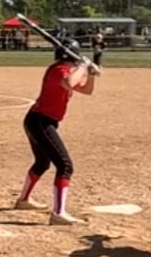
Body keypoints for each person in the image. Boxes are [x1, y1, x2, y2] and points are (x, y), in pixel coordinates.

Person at [16, 44, 98, 226]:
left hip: (40, 121)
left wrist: (90, 74)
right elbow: (69, 83)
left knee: (42, 163)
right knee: (65, 165)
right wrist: (83, 66)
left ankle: (23, 200)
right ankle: (58, 213)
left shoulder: (66, 71)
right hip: (40, 122)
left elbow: (87, 90)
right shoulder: (58, 70)